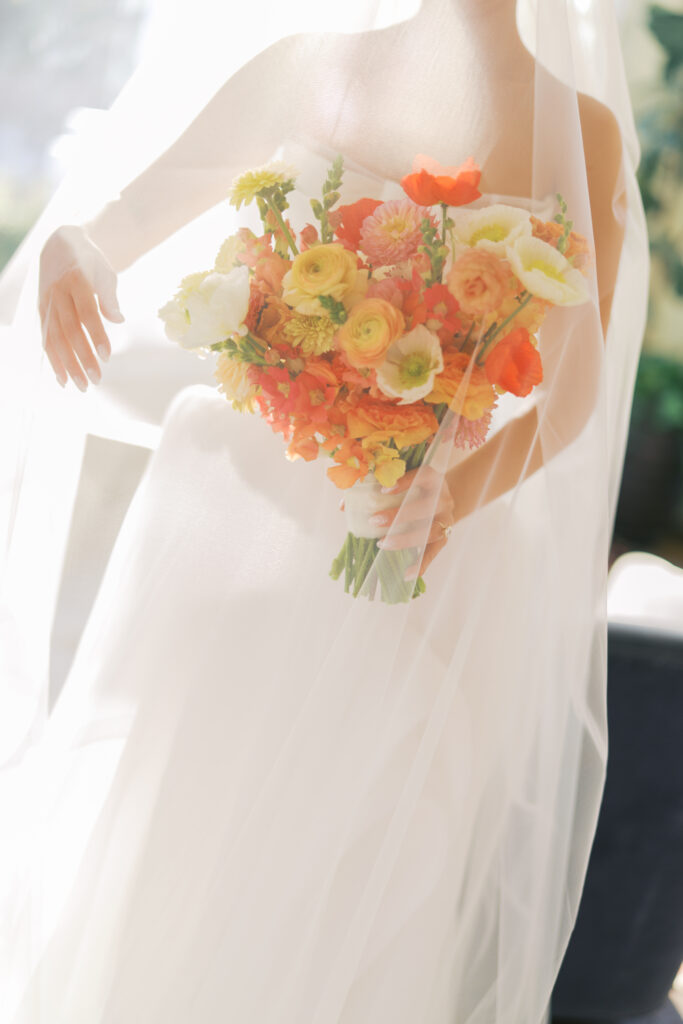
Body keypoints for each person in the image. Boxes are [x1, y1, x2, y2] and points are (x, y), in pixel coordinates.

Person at [0, 1, 649, 1021]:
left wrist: (447, 495)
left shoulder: (583, 133)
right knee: (180, 834)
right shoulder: (309, 64)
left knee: (358, 868)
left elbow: (569, 403)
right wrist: (76, 251)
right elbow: (120, 223)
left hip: (411, 558)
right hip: (227, 528)